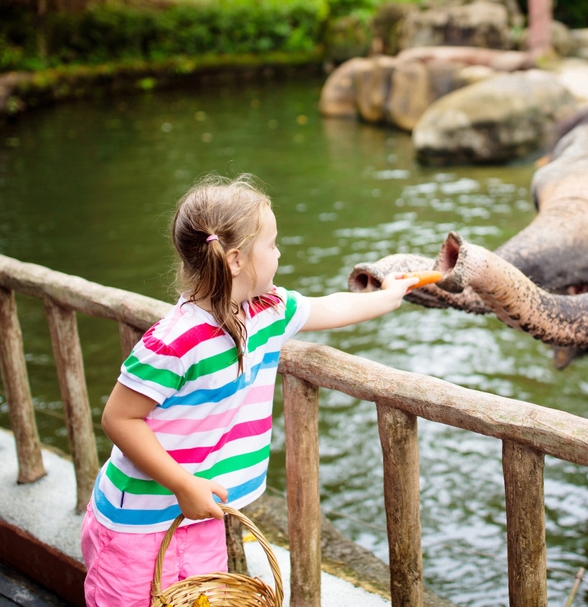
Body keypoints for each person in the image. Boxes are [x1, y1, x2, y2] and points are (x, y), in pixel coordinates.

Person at [81, 174, 417, 606]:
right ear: (236, 259)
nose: (279, 253)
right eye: (272, 245)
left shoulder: (267, 311)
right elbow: (119, 417)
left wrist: (389, 296)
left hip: (201, 514)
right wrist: (182, 484)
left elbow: (332, 306)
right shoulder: (175, 340)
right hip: (138, 521)